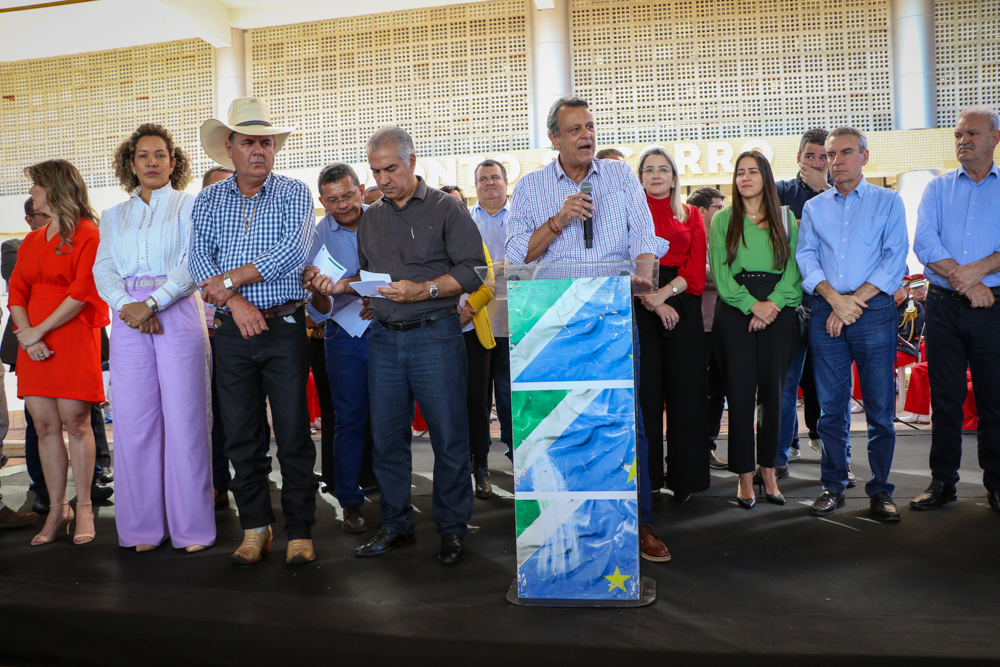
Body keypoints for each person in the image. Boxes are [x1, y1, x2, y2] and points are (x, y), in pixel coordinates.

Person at [506, 96, 671, 562]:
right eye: (574, 129)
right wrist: (559, 220)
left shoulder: (619, 177)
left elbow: (644, 238)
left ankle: (639, 523)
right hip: (552, 324)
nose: (586, 136)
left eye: (590, 127)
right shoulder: (534, 186)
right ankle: (563, 523)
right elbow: (518, 257)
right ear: (554, 138)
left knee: (624, 421)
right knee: (561, 424)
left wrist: (643, 276)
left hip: (612, 316)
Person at [319, 126, 485, 565]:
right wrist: (357, 291)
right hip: (385, 343)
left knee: (449, 438)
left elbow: (475, 271)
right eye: (375, 171)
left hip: (436, 334)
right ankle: (395, 524)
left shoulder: (447, 208)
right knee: (387, 440)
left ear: (412, 162)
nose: (382, 179)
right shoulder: (371, 217)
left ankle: (451, 529)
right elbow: (373, 274)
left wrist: (425, 290)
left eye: (390, 169)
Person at [189, 97, 319, 565]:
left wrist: (227, 283)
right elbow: (198, 261)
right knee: (242, 435)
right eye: (249, 142)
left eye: (266, 142)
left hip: (284, 326)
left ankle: (300, 530)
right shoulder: (207, 199)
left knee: (293, 432)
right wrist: (237, 302)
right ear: (230, 148)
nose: (259, 150)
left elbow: (291, 254)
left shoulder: (294, 192)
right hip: (231, 330)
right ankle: (255, 527)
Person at [93, 123, 215, 553]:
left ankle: (192, 529)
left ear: (173, 162)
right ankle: (143, 528)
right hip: (127, 320)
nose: (151, 162)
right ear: (131, 163)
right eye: (143, 155)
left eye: (160, 155)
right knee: (135, 424)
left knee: (185, 421)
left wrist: (154, 302)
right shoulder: (113, 215)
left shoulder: (189, 205)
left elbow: (192, 261)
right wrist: (127, 305)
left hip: (177, 311)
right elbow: (103, 268)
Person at [796, 126, 909, 521]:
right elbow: (806, 259)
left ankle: (881, 489)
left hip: (873, 312)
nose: (835, 161)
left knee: (879, 408)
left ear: (864, 156)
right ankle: (833, 485)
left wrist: (852, 303)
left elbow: (894, 260)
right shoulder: (814, 208)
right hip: (827, 311)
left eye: (845, 153)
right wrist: (834, 301)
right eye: (829, 155)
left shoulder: (888, 202)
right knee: (830, 409)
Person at [9, 159, 110, 546]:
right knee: (44, 427)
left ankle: (83, 506)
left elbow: (84, 291)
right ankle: (56, 509)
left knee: (76, 422)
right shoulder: (32, 239)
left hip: (69, 333)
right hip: (32, 341)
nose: (31, 193)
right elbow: (17, 291)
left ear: (54, 188)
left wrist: (39, 330)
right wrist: (27, 335)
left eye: (36, 186)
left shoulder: (89, 233)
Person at [910, 106, 1000, 514]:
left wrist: (977, 273)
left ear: (995, 138)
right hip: (944, 306)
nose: (963, 139)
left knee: (992, 399)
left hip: (992, 307)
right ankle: (942, 482)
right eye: (959, 134)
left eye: (973, 134)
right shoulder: (937, 188)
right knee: (944, 399)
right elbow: (925, 245)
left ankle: (996, 483)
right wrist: (966, 281)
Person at [709, 151, 802, 509]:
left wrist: (773, 305)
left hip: (780, 311)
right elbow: (721, 274)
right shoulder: (723, 220)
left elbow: (795, 270)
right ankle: (744, 478)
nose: (745, 178)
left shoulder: (786, 217)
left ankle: (769, 472)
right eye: (739, 173)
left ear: (765, 176)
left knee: (775, 397)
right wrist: (753, 306)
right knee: (741, 395)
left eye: (752, 172)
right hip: (736, 312)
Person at [633, 146, 709, 501]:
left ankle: (686, 479)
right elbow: (621, 265)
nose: (656, 175)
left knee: (685, 394)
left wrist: (663, 296)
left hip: (681, 302)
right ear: (640, 177)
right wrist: (650, 299)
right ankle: (646, 480)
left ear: (675, 177)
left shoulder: (691, 214)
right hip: (638, 303)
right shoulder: (630, 214)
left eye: (663, 169)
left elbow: (695, 272)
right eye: (649, 169)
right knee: (646, 396)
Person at [302, 162, 375, 533]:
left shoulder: (384, 219)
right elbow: (318, 310)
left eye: (348, 195)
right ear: (322, 201)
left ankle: (395, 496)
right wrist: (319, 290)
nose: (343, 205)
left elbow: (402, 271)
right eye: (333, 200)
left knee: (391, 419)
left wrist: (366, 290)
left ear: (361, 190)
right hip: (343, 337)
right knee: (349, 419)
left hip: (388, 328)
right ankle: (350, 502)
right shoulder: (315, 238)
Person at [775, 128, 830, 470]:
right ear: (798, 158)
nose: (816, 162)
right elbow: (772, 237)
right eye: (810, 156)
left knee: (827, 383)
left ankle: (831, 451)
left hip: (827, 300)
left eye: (823, 156)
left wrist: (826, 190)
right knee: (784, 384)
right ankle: (779, 455)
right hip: (789, 300)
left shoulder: (840, 193)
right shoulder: (781, 191)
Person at [469, 159, 513, 464]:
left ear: (505, 182)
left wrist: (486, 270)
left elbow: (529, 261)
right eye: (483, 179)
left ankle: (517, 454)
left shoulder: (522, 217)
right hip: (475, 321)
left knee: (511, 398)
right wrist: (500, 268)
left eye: (495, 177)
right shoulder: (463, 219)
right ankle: (479, 461)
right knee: (477, 399)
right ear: (476, 186)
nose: (489, 183)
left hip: (514, 322)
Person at [685, 186, 728, 470]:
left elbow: (727, 277)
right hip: (692, 329)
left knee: (717, 393)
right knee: (689, 394)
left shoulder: (724, 239)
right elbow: (696, 276)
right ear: (701, 211)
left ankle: (707, 447)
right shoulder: (688, 237)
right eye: (717, 207)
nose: (723, 213)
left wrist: (716, 278)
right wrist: (719, 279)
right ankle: (685, 452)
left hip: (722, 328)